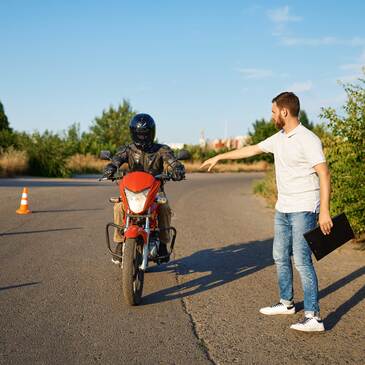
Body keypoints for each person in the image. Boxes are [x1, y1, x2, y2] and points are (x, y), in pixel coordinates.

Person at [201, 92, 332, 332]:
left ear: (284, 112)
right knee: (280, 256)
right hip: (283, 208)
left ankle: (314, 317)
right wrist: (220, 156)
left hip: (304, 208)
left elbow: (324, 173)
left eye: (273, 112)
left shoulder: (307, 139)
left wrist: (324, 211)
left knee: (302, 261)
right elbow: (250, 150)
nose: (271, 116)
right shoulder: (279, 138)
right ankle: (287, 303)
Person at [103, 113, 185, 263]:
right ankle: (120, 242)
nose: (142, 137)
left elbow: (172, 161)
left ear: (152, 133)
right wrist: (110, 166)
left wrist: (177, 168)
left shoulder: (161, 150)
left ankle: (163, 243)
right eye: (139, 134)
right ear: (133, 133)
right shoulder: (127, 149)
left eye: (145, 134)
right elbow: (116, 159)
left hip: (155, 191)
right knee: (118, 207)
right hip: (132, 190)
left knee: (164, 207)